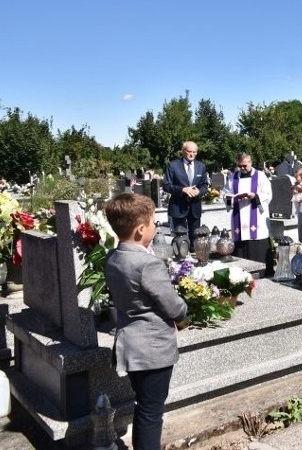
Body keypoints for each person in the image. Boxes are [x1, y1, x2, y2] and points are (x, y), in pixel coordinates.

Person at [104, 193, 187, 450]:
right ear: (141, 229)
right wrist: (184, 309)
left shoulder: (113, 257)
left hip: (130, 345)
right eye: (153, 222)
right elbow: (173, 306)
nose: (155, 227)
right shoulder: (147, 264)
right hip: (153, 349)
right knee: (151, 412)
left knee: (144, 406)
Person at [228, 153, 273, 277]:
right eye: (240, 166)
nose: (242, 168)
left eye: (245, 165)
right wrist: (232, 198)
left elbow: (268, 194)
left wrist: (255, 196)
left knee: (256, 241)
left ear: (250, 162)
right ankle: (240, 273)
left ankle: (262, 271)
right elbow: (226, 193)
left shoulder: (260, 176)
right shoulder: (233, 177)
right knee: (240, 242)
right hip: (239, 213)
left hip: (256, 214)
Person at [163, 141, 208, 248]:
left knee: (195, 239)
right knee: (180, 240)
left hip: (195, 207)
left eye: (194, 152)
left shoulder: (201, 166)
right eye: (189, 151)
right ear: (183, 151)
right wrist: (182, 189)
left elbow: (205, 185)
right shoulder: (172, 165)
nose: (192, 154)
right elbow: (166, 185)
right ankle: (181, 261)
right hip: (178, 207)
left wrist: (199, 191)